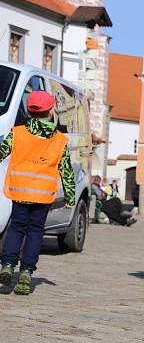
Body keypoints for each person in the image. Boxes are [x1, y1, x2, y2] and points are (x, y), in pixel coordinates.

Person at [0, 91, 75, 295]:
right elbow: (66, 169)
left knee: (16, 228)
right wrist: (70, 196)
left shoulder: (18, 133)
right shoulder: (60, 140)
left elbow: (1, 152)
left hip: (20, 190)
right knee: (35, 231)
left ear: (30, 111)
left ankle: (7, 265)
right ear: (50, 111)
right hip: (42, 195)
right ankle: (26, 272)